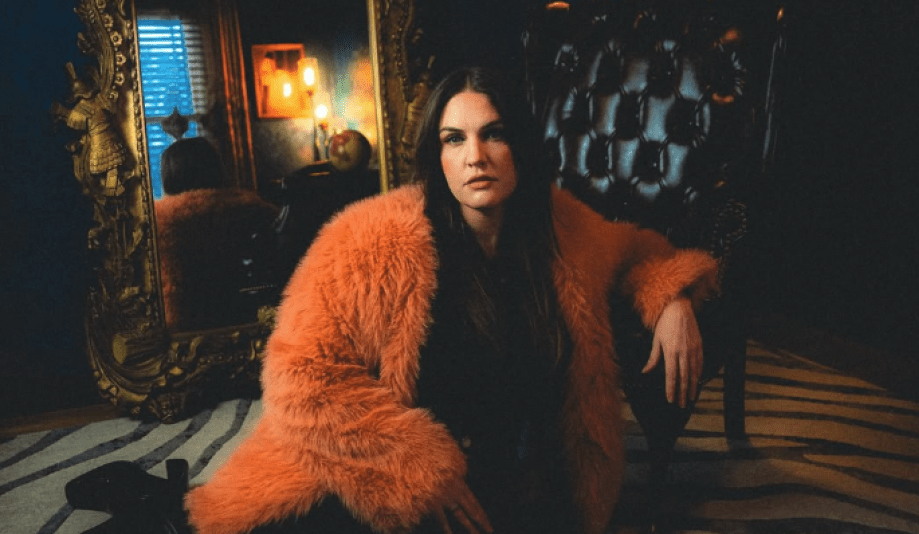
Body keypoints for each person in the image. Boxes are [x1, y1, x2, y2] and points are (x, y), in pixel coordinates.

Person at [184, 66, 718, 534]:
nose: (475, 157)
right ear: (435, 155)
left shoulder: (562, 229)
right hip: (374, 479)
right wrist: (415, 466)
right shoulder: (372, 242)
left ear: (521, 145)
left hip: (514, 483)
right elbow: (298, 379)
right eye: (454, 139)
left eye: (494, 134)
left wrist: (671, 299)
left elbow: (636, 252)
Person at [154, 137, 279, 331]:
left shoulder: (158, 222)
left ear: (167, 176)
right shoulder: (252, 211)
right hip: (249, 320)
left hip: (182, 327)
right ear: (217, 169)